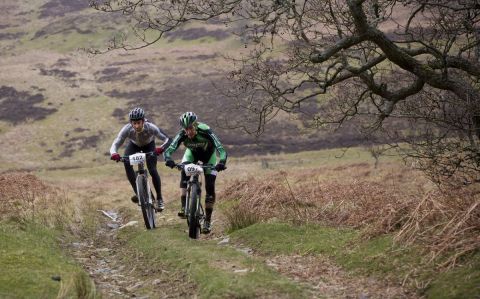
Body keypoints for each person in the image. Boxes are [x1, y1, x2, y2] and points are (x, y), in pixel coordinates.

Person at [163, 112, 227, 233]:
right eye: (185, 129)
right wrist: (169, 160)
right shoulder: (182, 134)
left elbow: (221, 149)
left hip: (209, 157)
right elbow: (169, 150)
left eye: (190, 128)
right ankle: (183, 206)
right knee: (183, 169)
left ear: (196, 125)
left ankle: (207, 221)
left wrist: (222, 162)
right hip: (192, 154)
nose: (188, 132)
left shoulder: (206, 130)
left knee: (210, 187)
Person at [110, 107, 170, 211]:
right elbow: (116, 142)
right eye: (134, 123)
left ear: (143, 121)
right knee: (126, 163)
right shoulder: (127, 129)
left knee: (152, 169)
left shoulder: (151, 127)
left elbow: (168, 139)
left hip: (149, 146)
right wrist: (114, 153)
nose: (136, 126)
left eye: (139, 123)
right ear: (131, 123)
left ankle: (159, 198)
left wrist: (161, 149)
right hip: (134, 146)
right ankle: (138, 193)